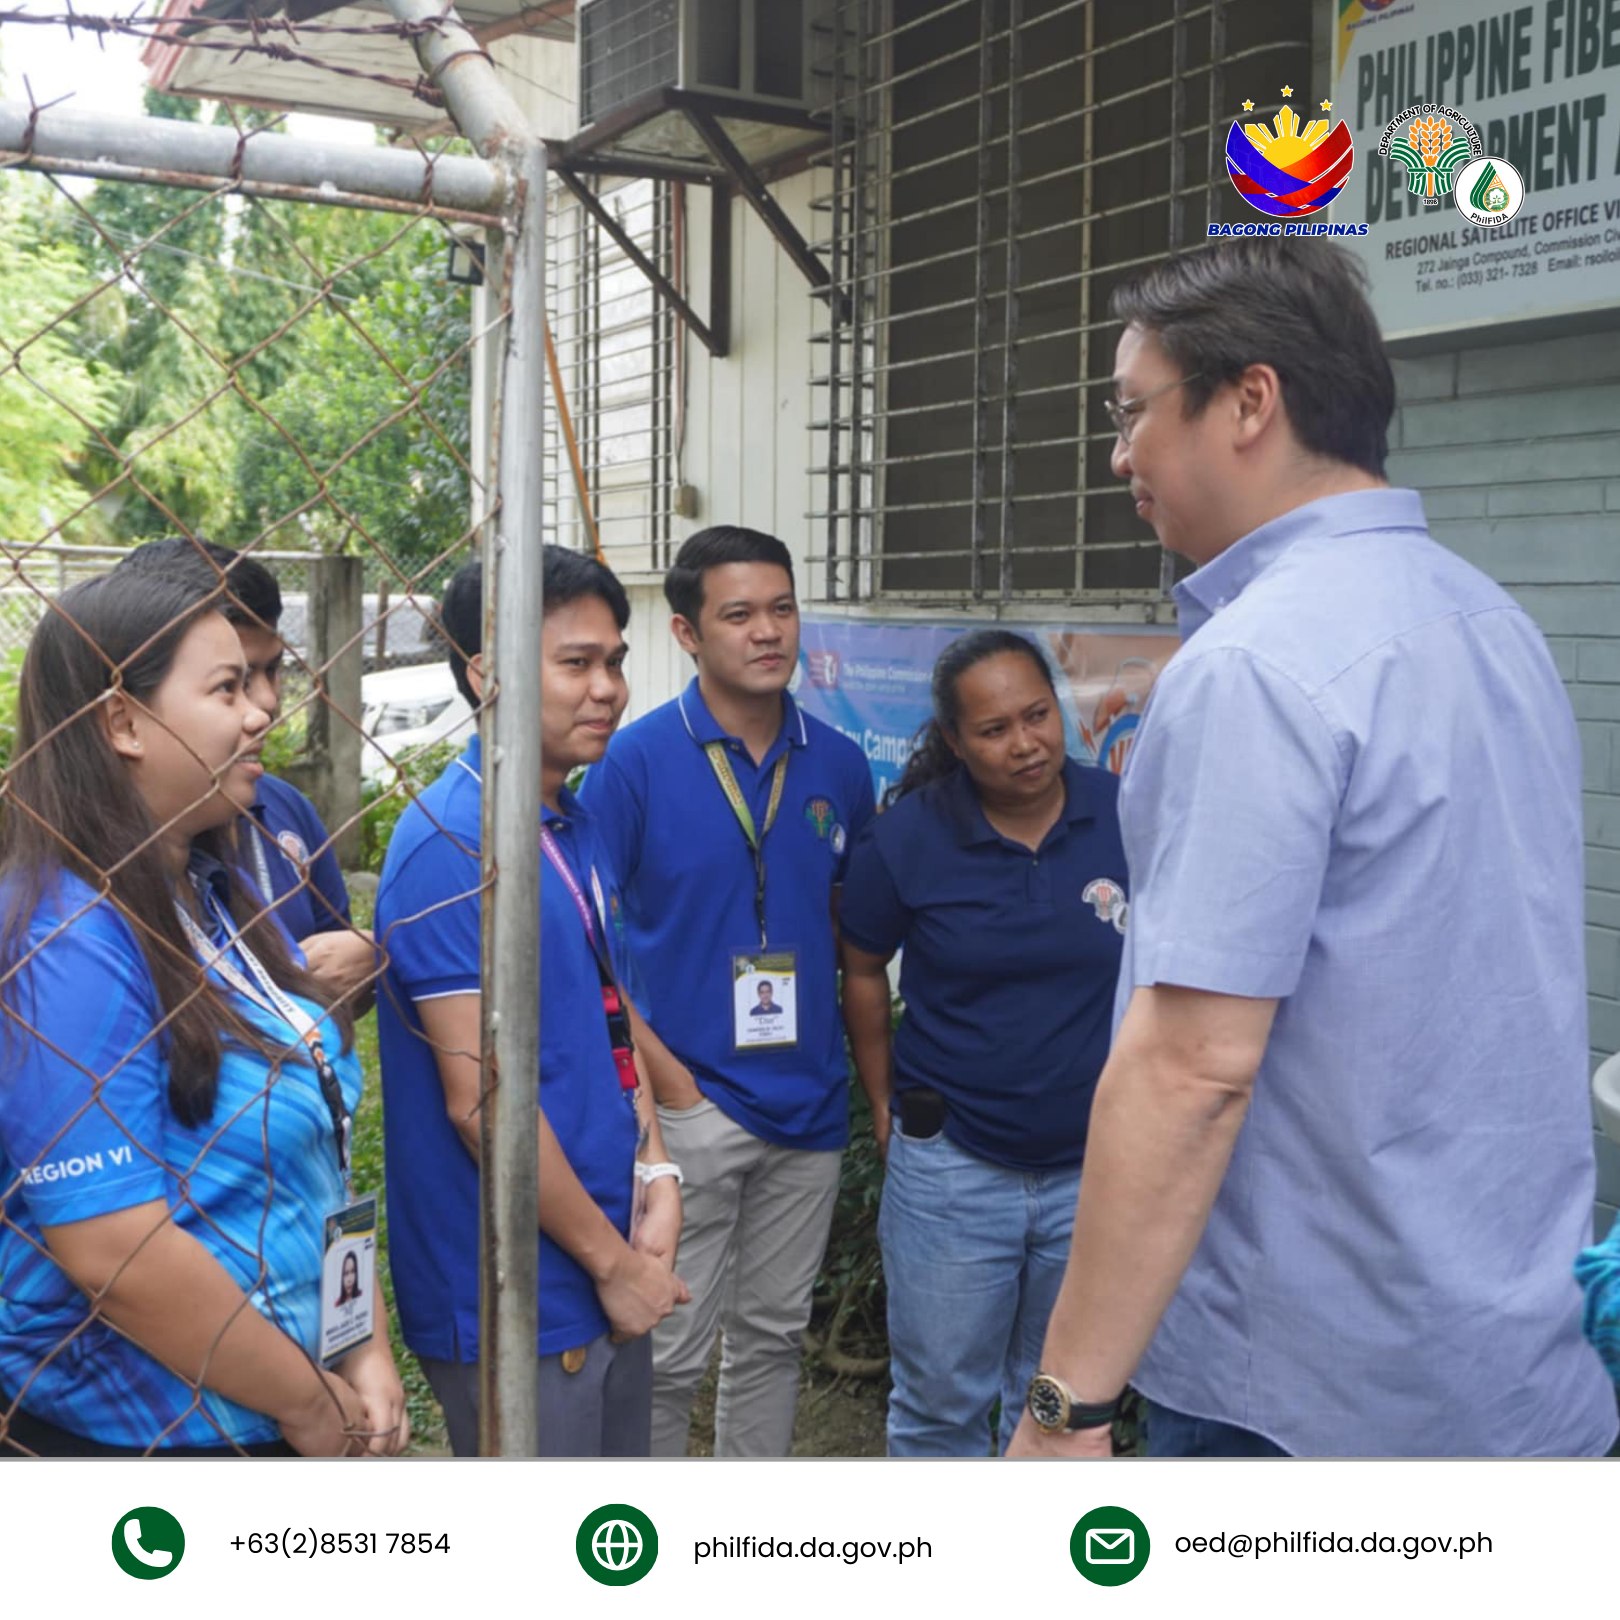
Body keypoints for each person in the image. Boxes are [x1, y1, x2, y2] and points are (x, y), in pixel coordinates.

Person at [1006, 238, 1617, 1459]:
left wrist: (1067, 1407)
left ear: (1249, 401)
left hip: (1301, 1398)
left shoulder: (1252, 666)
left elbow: (1193, 1069)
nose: (1120, 455)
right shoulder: (1489, 620)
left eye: (1132, 413)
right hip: (1512, 1363)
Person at [0, 570, 406, 1457]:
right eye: (227, 688)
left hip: (270, 1403)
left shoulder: (208, 893)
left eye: (259, 683)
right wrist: (306, 1403)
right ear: (121, 723)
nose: (262, 711)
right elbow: (113, 1248)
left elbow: (314, 1155)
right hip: (143, 1441)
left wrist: (359, 1341)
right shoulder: (67, 932)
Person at [374, 548, 688, 1458]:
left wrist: (657, 1169)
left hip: (610, 1251)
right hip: (518, 1287)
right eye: (576, 663)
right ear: (488, 673)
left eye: (616, 661)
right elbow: (480, 1102)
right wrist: (612, 1263)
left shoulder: (573, 820)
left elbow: (606, 1012)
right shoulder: (451, 845)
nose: (610, 689)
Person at [579, 525, 877, 1457]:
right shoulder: (632, 764)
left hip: (809, 1106)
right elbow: (594, 947)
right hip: (690, 1104)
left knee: (774, 1338)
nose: (767, 632)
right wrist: (671, 1089)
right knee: (667, 1350)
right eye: (738, 614)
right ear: (686, 633)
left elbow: (846, 923)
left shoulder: (837, 762)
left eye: (781, 609)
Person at [840, 630, 1126, 1456]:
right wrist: (884, 1100)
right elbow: (862, 969)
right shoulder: (908, 840)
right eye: (995, 730)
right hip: (953, 1176)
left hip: (1094, 1174)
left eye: (1037, 716)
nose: (1025, 743)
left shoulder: (1124, 812)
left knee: (1060, 1407)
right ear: (957, 742)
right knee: (938, 1411)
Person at [117, 538, 377, 1010]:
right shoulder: (81, 887)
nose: (267, 703)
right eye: (230, 684)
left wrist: (366, 960)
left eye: (272, 671)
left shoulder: (286, 809)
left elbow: (342, 967)